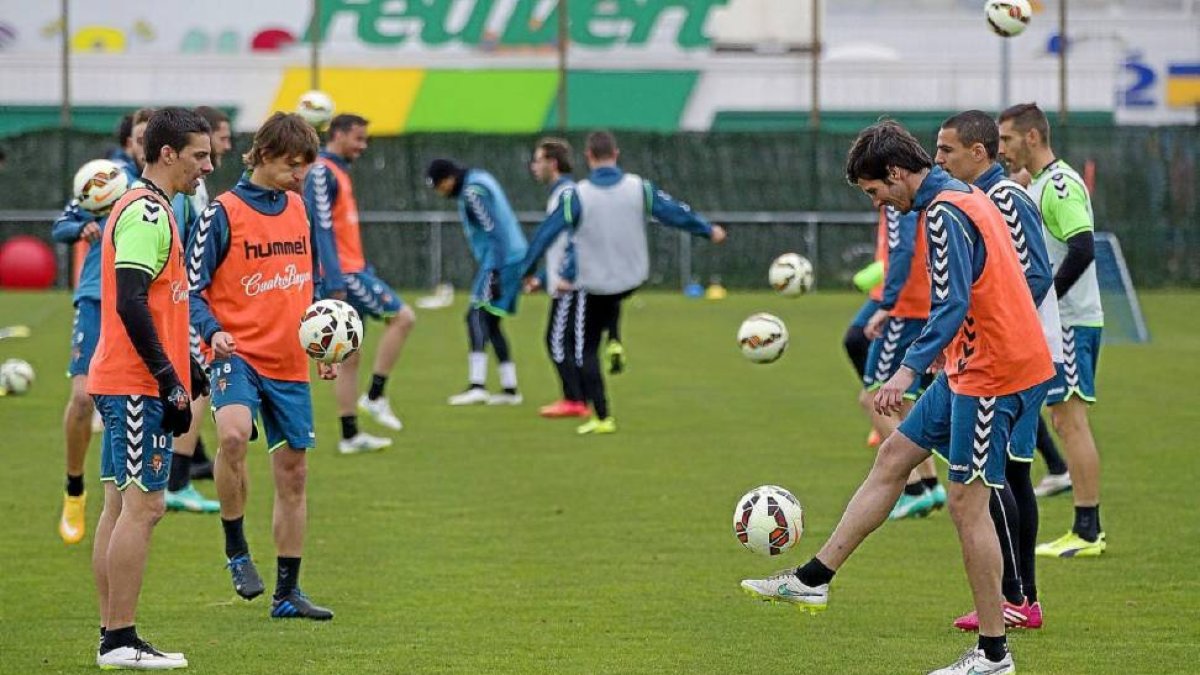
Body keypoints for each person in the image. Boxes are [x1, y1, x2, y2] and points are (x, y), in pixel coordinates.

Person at [740, 121, 1053, 675]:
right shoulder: (960, 196)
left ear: (895, 173)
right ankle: (814, 580)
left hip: (994, 374)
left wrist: (905, 372)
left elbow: (953, 302)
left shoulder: (945, 212)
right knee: (892, 458)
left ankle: (993, 655)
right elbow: (980, 290)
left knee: (965, 505)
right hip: (967, 364)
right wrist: (940, 354)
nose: (879, 202)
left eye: (875, 191)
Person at [188, 112, 336, 620]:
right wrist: (213, 333)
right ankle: (236, 550)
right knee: (232, 436)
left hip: (291, 360)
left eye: (307, 167)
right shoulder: (222, 212)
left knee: (293, 475)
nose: (301, 175)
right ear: (265, 155)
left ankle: (287, 594)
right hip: (237, 355)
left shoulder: (297, 208)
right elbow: (190, 291)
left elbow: (307, 285)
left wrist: (325, 348)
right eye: (293, 165)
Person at [89, 106, 212, 669]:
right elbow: (130, 300)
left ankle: (112, 634)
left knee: (119, 506)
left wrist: (194, 368)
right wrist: (168, 381)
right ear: (168, 154)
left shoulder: (155, 208)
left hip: (126, 380)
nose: (207, 166)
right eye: (199, 155)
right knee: (145, 507)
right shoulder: (147, 213)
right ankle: (120, 639)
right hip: (135, 385)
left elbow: (163, 305)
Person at [936, 109, 1060, 630]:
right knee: (1012, 472)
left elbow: (1035, 271)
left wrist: (995, 326)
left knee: (1000, 475)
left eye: (946, 150)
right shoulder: (981, 198)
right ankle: (1023, 599)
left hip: (1013, 357)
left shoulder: (1004, 197)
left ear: (977, 152)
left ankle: (1014, 597)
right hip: (1011, 354)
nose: (938, 159)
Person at [519, 131, 727, 435]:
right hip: (631, 278)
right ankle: (614, 339)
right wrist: (707, 230)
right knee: (612, 297)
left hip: (594, 283)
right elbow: (673, 212)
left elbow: (548, 233)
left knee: (584, 350)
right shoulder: (638, 188)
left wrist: (526, 269)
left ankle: (602, 417)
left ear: (589, 157)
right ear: (615, 154)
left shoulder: (577, 195)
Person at [998, 103, 1107, 558]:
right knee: (1063, 418)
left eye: (1006, 139)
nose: (1001, 148)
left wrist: (1045, 299)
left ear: (1032, 138)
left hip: (1073, 322)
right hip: (1065, 322)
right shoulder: (1041, 182)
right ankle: (1085, 527)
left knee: (1070, 420)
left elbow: (1083, 248)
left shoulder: (1059, 186)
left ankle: (1088, 531)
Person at [52, 109, 150, 544]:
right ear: (129, 142)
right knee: (81, 400)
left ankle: (127, 499)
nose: (147, 145)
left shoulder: (172, 186)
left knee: (128, 404)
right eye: (141, 136)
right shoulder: (107, 179)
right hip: (97, 298)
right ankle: (74, 488)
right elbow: (62, 225)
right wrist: (84, 225)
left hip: (144, 299)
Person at [304, 113, 413, 453]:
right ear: (337, 135)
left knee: (349, 356)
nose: (363, 146)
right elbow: (320, 227)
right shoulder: (322, 171)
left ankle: (350, 435)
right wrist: (334, 282)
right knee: (404, 317)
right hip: (345, 275)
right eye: (358, 138)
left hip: (353, 270)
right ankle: (376, 394)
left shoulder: (338, 171)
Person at [163, 105, 234, 512]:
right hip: (184, 298)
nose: (223, 148)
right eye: (219, 139)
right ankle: (176, 480)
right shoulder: (176, 193)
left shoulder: (197, 185)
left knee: (196, 384)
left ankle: (183, 470)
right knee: (197, 384)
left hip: (187, 296)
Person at [861, 205, 946, 519]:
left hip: (904, 310)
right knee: (906, 404)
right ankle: (931, 483)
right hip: (924, 307)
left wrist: (888, 302)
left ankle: (911, 489)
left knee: (872, 398)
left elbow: (903, 247)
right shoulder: (920, 198)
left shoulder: (897, 202)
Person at [426, 158, 528, 406]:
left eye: (439, 186)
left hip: (501, 260)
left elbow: (495, 231)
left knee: (476, 316)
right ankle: (510, 389)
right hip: (513, 257)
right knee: (491, 322)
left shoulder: (473, 192)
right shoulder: (481, 178)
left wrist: (494, 271)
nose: (441, 193)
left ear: (448, 179)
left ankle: (477, 385)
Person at [526, 137, 588, 418]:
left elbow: (576, 241)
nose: (533, 167)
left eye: (537, 160)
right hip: (562, 282)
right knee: (563, 341)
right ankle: (577, 398)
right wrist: (541, 277)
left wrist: (566, 274)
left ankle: (575, 400)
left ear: (552, 163)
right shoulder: (560, 194)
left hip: (570, 285)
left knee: (557, 341)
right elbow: (559, 245)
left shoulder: (566, 194)